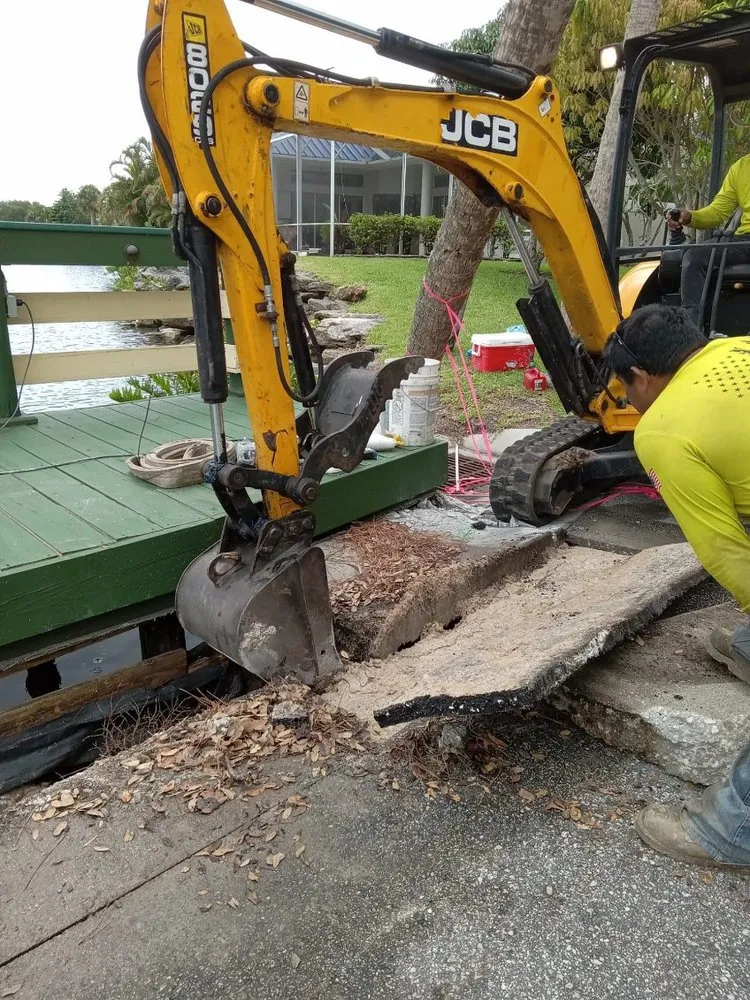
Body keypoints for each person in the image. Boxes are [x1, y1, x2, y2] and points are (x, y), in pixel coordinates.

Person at [604, 303, 750, 873]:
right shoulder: (739, 348)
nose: (626, 398)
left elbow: (724, 551)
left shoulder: (663, 430)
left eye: (624, 386)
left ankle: (731, 832)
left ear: (641, 376)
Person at [666, 153, 750, 326]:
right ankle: (691, 331)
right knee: (694, 256)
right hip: (745, 241)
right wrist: (689, 217)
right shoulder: (741, 168)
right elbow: (716, 212)